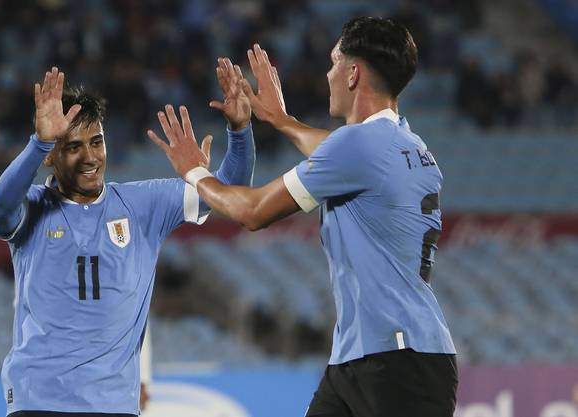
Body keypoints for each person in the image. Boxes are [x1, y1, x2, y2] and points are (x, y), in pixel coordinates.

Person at [147, 17, 457, 417]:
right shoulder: (407, 144)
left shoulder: (358, 146)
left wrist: (195, 171)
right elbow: (337, 151)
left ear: (352, 74)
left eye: (333, 63)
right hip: (368, 356)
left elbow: (253, 211)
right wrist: (280, 121)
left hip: (399, 362)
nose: (327, 74)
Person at [0, 62, 255, 417]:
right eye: (73, 147)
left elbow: (230, 193)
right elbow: (0, 209)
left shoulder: (144, 204)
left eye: (97, 142)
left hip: (114, 405)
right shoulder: (33, 205)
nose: (90, 157)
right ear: (51, 155)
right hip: (38, 401)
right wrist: (38, 143)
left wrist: (239, 130)